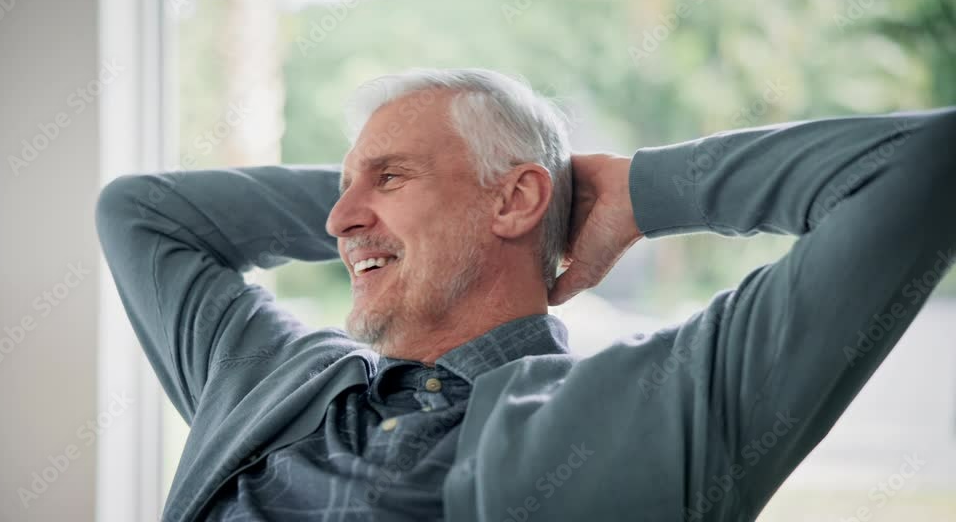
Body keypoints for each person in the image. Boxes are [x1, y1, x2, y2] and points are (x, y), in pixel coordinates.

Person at [94, 68, 956, 521]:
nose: (334, 221)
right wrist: (398, 207)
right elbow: (139, 212)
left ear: (516, 199)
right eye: (345, 185)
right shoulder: (266, 376)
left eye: (389, 177)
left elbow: (923, 166)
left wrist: (630, 191)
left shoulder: (657, 408)